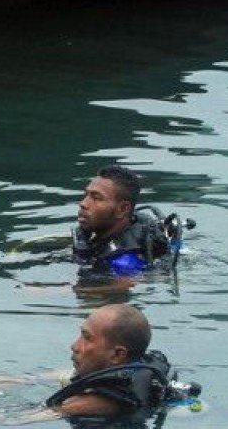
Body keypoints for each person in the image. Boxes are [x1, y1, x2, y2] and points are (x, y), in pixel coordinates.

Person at [46, 304, 197, 420]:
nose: (74, 346)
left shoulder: (87, 405)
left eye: (87, 338)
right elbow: (65, 376)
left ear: (118, 354)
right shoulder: (136, 366)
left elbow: (25, 419)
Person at [72, 166, 174, 276]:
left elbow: (122, 285)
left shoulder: (125, 263)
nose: (83, 203)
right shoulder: (108, 236)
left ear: (122, 209)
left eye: (96, 198)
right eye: (86, 195)